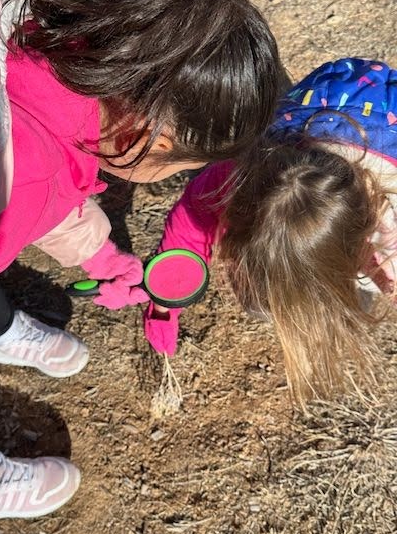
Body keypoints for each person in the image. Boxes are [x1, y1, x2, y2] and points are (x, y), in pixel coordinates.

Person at [0, 0, 283, 522]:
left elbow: (42, 183)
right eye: (177, 169)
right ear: (148, 136)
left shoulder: (47, 31)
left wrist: (102, 255)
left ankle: (4, 330)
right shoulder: (21, 177)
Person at [144, 57, 397, 409]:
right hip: (318, 108)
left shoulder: (390, 200)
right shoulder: (246, 171)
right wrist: (166, 298)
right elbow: (191, 216)